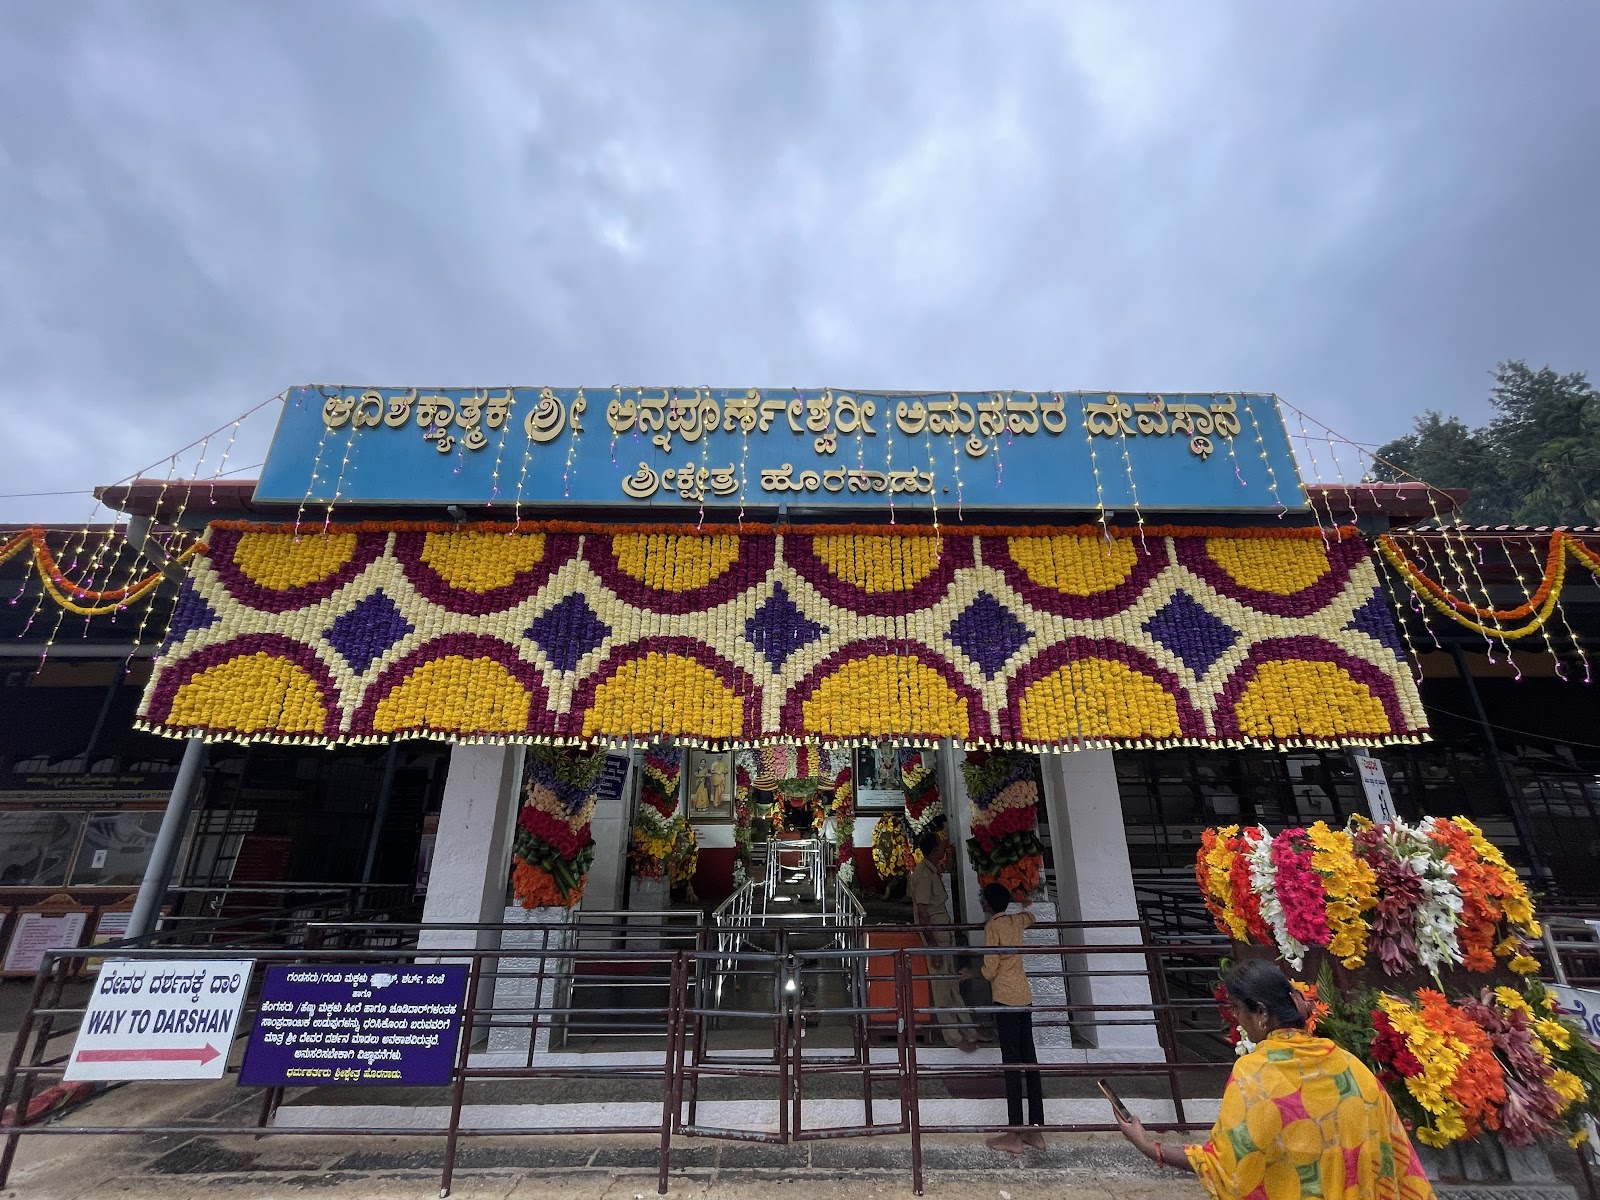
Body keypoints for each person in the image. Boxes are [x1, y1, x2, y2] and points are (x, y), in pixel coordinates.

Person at [1112, 958, 1435, 1200]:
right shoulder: (1351, 1067)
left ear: (1262, 1012)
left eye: (1238, 1009)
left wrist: (1146, 1145)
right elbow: (1394, 1160)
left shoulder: (1255, 1076)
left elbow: (1227, 1168)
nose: (1236, 1019)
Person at [981, 881, 1044, 1154]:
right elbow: (1031, 916)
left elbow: (990, 968)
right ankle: (1037, 1130)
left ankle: (1014, 1133)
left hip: (1005, 998)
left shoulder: (992, 927)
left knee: (1011, 1063)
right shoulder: (1016, 921)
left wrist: (977, 973)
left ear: (987, 905)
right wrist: (1022, 914)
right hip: (1024, 995)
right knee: (1030, 1060)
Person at [907, 832, 980, 1052]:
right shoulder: (923, 874)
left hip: (943, 933)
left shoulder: (932, 871)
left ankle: (970, 1031)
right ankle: (954, 1037)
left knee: (951, 984)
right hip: (935, 936)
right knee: (941, 988)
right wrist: (932, 948)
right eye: (939, 846)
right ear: (932, 850)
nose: (943, 848)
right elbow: (922, 913)